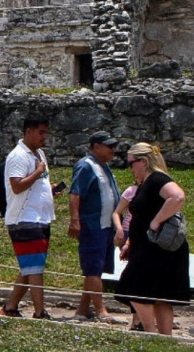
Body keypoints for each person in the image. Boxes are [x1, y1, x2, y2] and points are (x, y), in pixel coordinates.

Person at [114, 143, 189, 336]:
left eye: (131, 163)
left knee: (134, 289)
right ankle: (164, 339)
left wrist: (156, 222)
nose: (129, 168)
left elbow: (178, 197)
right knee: (160, 296)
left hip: (155, 250)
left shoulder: (157, 179)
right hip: (147, 248)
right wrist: (131, 242)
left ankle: (150, 332)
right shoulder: (145, 183)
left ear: (144, 162)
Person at [0, 114, 56, 319]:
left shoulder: (39, 154)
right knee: (35, 269)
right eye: (41, 132)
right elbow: (16, 185)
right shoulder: (18, 156)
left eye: (45, 132)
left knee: (29, 267)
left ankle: (10, 306)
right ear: (29, 131)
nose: (44, 137)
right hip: (24, 219)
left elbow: (35, 184)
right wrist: (38, 173)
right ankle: (40, 311)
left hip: (41, 217)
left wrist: (50, 189)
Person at [68, 131, 122, 322]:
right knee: (93, 269)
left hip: (105, 226)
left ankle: (82, 310)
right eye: (109, 146)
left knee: (96, 269)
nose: (113, 150)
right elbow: (75, 194)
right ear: (96, 147)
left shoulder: (104, 166)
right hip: (92, 225)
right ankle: (101, 311)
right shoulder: (86, 166)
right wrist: (75, 220)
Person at [111, 183, 139, 330]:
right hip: (130, 232)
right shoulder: (131, 191)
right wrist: (120, 229)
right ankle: (136, 319)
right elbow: (117, 212)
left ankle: (138, 318)